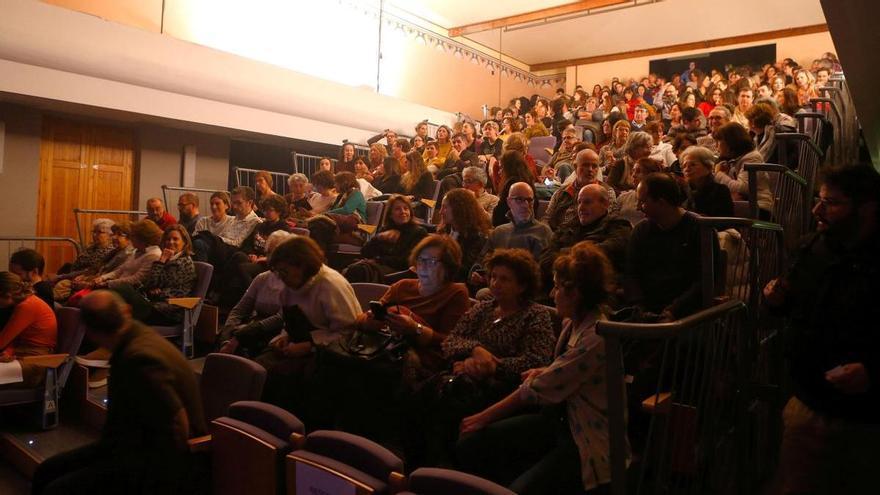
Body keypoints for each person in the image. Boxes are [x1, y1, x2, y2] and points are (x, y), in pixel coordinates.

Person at [457, 242, 625, 494]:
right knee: (472, 445)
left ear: (576, 293)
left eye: (557, 287)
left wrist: (481, 418)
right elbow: (561, 371)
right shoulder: (574, 322)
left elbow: (537, 389)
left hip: (584, 435)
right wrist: (543, 371)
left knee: (519, 487)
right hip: (558, 418)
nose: (551, 294)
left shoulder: (596, 335)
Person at [763, 165, 880, 495]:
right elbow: (795, 309)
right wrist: (776, 300)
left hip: (867, 418)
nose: (817, 210)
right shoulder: (812, 247)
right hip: (809, 405)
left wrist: (873, 372)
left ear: (867, 208)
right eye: (818, 199)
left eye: (831, 203)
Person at [31, 290, 206, 495]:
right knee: (47, 470)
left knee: (56, 489)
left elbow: (178, 424)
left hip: (150, 459)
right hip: (126, 445)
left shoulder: (140, 359)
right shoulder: (137, 334)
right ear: (127, 311)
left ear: (90, 332)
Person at [409, 249, 555, 467]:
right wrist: (476, 350)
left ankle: (442, 471)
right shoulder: (484, 308)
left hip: (506, 388)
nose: (495, 283)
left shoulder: (536, 315)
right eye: (493, 276)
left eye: (504, 279)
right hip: (462, 376)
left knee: (447, 402)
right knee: (419, 399)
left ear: (522, 285)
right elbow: (451, 340)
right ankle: (420, 467)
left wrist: (491, 366)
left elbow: (536, 361)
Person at [253, 236, 361, 410]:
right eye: (278, 272)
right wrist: (285, 336)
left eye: (284, 272)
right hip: (298, 345)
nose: (281, 278)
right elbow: (291, 322)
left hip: (330, 354)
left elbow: (349, 333)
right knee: (255, 369)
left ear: (302, 266)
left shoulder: (331, 285)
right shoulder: (290, 284)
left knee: (279, 379)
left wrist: (310, 346)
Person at [625, 173, 705, 320]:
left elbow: (704, 280)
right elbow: (632, 273)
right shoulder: (641, 231)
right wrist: (639, 306)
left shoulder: (699, 229)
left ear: (661, 203)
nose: (638, 207)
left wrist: (674, 310)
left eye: (642, 202)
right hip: (646, 311)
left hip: (688, 315)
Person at [540, 184, 632, 294]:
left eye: (587, 202)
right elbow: (545, 258)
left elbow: (602, 254)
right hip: (557, 286)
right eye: (579, 202)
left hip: (594, 293)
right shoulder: (568, 226)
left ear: (605, 204)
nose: (581, 207)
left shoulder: (618, 226)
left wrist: (562, 252)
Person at [216, 231, 295, 356]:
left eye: (276, 254)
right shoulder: (262, 278)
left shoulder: (293, 282)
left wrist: (241, 335)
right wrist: (227, 335)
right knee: (223, 338)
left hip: (274, 332)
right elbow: (239, 310)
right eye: (269, 252)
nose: (271, 258)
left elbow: (280, 319)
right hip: (252, 327)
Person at [111, 224, 196, 325]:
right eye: (168, 239)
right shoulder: (170, 259)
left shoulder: (183, 262)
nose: (170, 242)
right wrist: (152, 288)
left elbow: (157, 285)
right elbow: (151, 283)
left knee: (123, 290)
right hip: (155, 304)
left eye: (175, 239)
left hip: (168, 311)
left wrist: (161, 261)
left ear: (184, 242)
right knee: (120, 299)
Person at [344, 195, 428, 282]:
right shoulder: (385, 230)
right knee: (350, 268)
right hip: (380, 266)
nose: (403, 212)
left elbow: (406, 261)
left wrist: (377, 260)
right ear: (390, 215)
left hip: (400, 271)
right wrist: (378, 238)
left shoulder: (418, 232)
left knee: (358, 271)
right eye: (397, 209)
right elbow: (365, 252)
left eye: (406, 208)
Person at [0, 272, 57, 387]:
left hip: (35, 363)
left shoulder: (27, 306)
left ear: (7, 294)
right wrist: (8, 352)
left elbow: (2, 341)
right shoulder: (24, 302)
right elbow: (14, 339)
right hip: (21, 355)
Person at [480, 182, 552, 263]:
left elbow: (545, 270)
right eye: (519, 199)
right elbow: (483, 262)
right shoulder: (499, 232)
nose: (525, 205)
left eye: (529, 200)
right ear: (509, 202)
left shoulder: (542, 232)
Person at [543, 149, 615, 230]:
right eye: (586, 165)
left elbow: (609, 222)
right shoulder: (562, 192)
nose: (590, 169)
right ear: (575, 167)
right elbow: (547, 218)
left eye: (594, 166)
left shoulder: (606, 192)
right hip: (557, 236)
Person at [713, 122, 773, 217]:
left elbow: (743, 188)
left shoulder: (752, 158)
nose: (716, 146)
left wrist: (719, 174)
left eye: (718, 142)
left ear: (730, 142)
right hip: (745, 206)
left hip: (758, 209)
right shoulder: (733, 160)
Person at [90, 220, 163, 291]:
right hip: (118, 287)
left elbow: (136, 279)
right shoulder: (137, 251)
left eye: (133, 236)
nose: (131, 239)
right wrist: (102, 278)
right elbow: (120, 270)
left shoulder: (153, 255)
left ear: (142, 238)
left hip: (130, 291)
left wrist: (107, 283)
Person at [437, 189, 491, 283]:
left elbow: (464, 271)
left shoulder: (476, 238)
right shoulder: (446, 230)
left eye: (445, 207)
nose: (440, 212)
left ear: (459, 209)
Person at [681, 145, 734, 217]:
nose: (687, 169)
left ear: (708, 167)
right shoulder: (681, 191)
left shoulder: (720, 191)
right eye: (684, 166)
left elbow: (725, 222)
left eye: (692, 165)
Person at [614, 157, 664, 225]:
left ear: (650, 175)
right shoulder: (623, 197)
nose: (633, 175)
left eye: (638, 171)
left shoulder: (658, 200)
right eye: (633, 171)